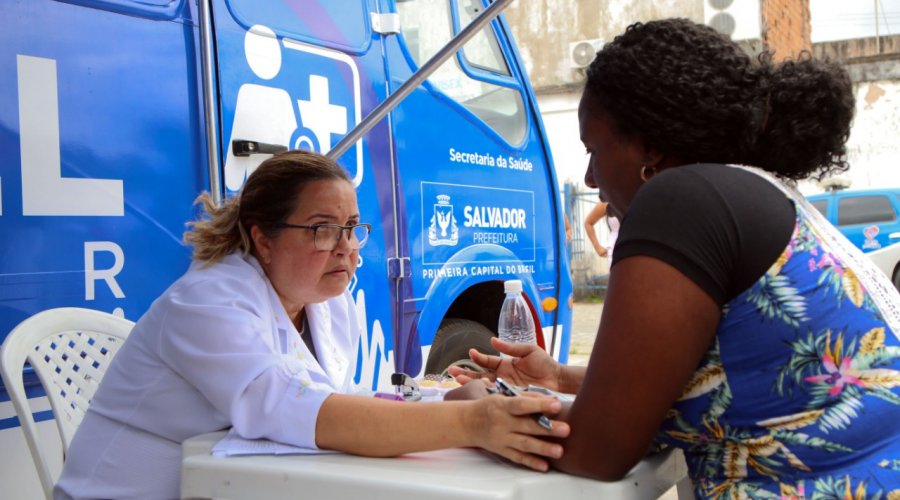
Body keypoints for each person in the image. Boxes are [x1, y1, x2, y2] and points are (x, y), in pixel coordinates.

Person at [450, 18, 900, 498]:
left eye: (593, 150)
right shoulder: (764, 194)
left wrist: (478, 410)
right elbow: (732, 378)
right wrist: (561, 377)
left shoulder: (680, 201)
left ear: (652, 149)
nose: (589, 179)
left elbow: (595, 452)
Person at [55, 151, 569, 499]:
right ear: (264, 239)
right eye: (323, 229)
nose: (346, 246)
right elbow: (292, 410)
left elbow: (337, 401)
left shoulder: (326, 301)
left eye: (351, 228)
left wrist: (450, 399)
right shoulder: (206, 302)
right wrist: (472, 424)